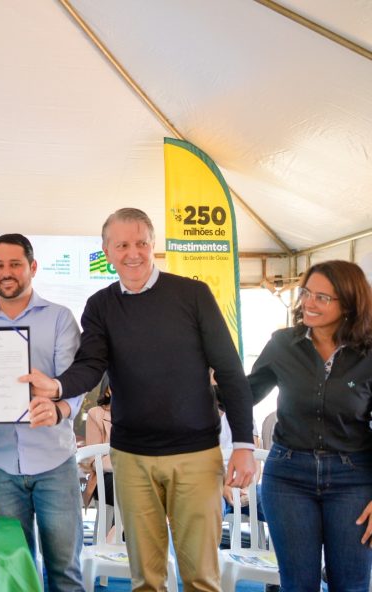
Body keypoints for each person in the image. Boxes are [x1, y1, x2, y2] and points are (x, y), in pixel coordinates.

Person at [21, 207, 255, 592]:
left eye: (141, 243)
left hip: (195, 455)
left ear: (153, 246)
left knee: (201, 578)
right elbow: (90, 365)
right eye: (122, 245)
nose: (133, 253)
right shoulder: (100, 305)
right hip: (132, 459)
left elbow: (230, 370)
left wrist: (244, 443)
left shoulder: (192, 295)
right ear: (107, 251)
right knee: (145, 579)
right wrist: (59, 387)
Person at [0, 233, 84, 591]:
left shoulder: (59, 318)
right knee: (14, 571)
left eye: (15, 264)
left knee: (65, 572)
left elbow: (75, 385)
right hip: (0, 465)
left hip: (54, 462)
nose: (6, 272)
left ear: (33, 267)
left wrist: (58, 410)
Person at [249, 260, 372, 591]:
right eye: (306, 293)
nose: (308, 303)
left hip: (354, 481)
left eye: (322, 297)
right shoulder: (282, 343)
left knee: (351, 585)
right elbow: (245, 394)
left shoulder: (369, 352)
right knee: (298, 585)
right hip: (288, 476)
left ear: (348, 304)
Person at [83, 375, 113, 510]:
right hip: (105, 477)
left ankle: (115, 531)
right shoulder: (95, 414)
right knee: (131, 488)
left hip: (137, 475)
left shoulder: (141, 413)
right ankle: (117, 531)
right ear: (107, 390)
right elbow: (94, 460)